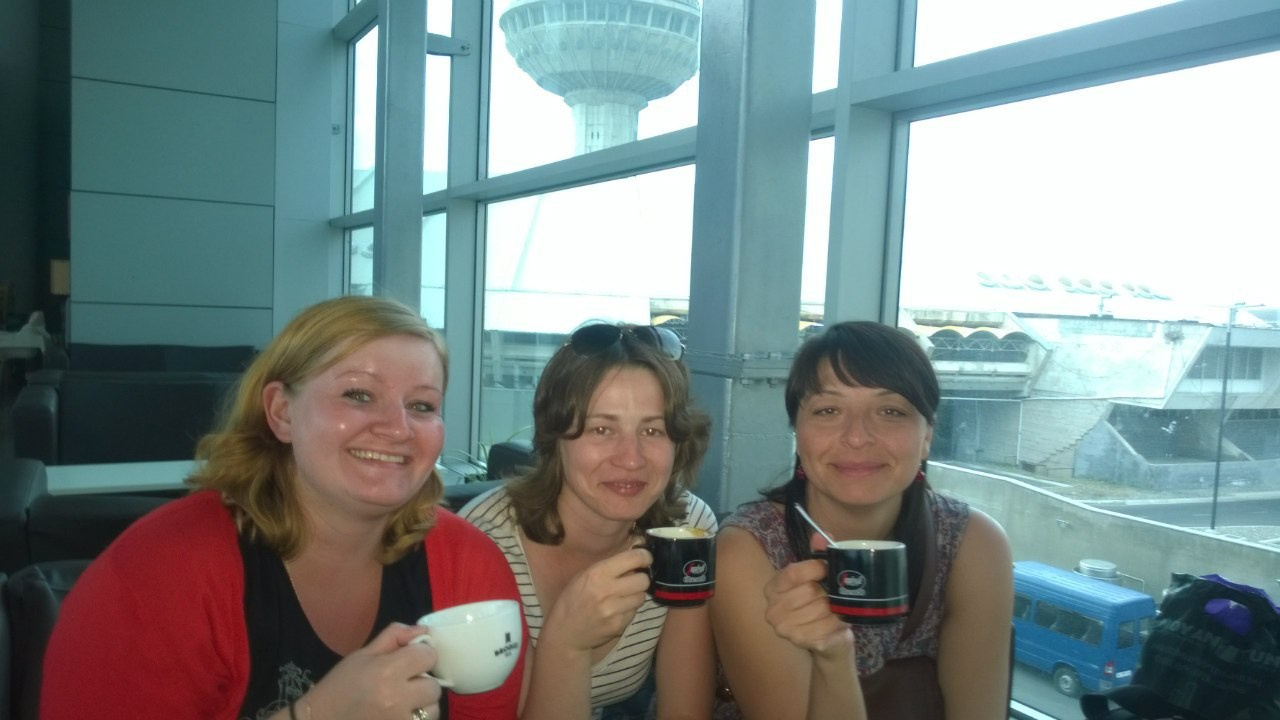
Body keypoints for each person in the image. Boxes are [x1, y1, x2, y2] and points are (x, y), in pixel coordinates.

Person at [41, 296, 526, 720]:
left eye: (421, 406)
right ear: (281, 412)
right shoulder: (157, 574)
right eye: (358, 395)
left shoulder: (466, 563)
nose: (398, 428)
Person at [710, 321, 1014, 720]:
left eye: (890, 411)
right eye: (828, 410)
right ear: (797, 431)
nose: (857, 437)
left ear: (927, 436)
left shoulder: (971, 542)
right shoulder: (749, 550)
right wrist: (833, 657)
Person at [461, 322, 717, 720]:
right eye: (601, 429)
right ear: (554, 436)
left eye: (652, 430)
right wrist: (566, 642)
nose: (631, 458)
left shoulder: (687, 528)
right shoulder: (483, 546)